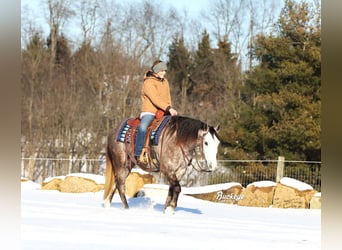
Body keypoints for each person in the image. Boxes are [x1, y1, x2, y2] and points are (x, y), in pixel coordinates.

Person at [134, 60, 178, 164]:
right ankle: (138, 152)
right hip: (149, 111)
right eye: (161, 70)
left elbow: (168, 97)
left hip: (164, 111)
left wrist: (169, 109)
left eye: (165, 70)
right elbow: (155, 99)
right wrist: (168, 108)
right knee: (143, 127)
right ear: (156, 71)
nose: (164, 73)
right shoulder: (148, 82)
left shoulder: (165, 82)